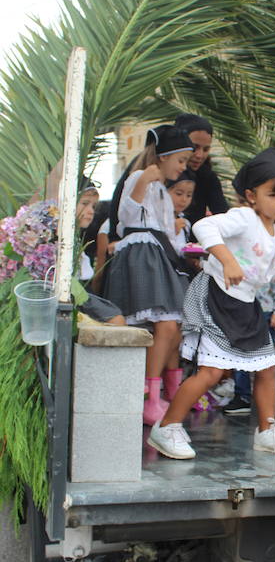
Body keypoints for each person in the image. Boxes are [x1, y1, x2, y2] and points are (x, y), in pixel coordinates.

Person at [148, 147, 275, 460]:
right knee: (211, 373)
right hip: (217, 299)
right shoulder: (243, 217)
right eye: (274, 193)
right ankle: (167, 426)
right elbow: (203, 227)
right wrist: (226, 260)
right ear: (252, 196)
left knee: (266, 367)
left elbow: (267, 270)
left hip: (246, 305)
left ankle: (267, 431)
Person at [103, 125, 194, 425]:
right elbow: (125, 219)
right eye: (180, 160)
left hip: (161, 255)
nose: (183, 167)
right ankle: (150, 399)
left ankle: (163, 395)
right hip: (142, 257)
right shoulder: (138, 179)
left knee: (172, 326)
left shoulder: (164, 195)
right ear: (163, 156)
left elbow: (166, 231)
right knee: (164, 324)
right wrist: (142, 181)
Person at [225, 278, 275, 415]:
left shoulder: (270, 258)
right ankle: (242, 396)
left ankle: (267, 403)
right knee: (240, 356)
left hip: (264, 312)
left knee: (265, 361)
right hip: (241, 312)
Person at [76, 179, 125, 326]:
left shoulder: (76, 238)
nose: (91, 211)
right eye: (85, 204)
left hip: (82, 291)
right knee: (116, 320)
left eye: (93, 206)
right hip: (76, 292)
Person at [173, 113, 229, 224]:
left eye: (206, 149)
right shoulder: (158, 172)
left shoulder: (208, 177)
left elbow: (222, 215)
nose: (200, 155)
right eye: (194, 147)